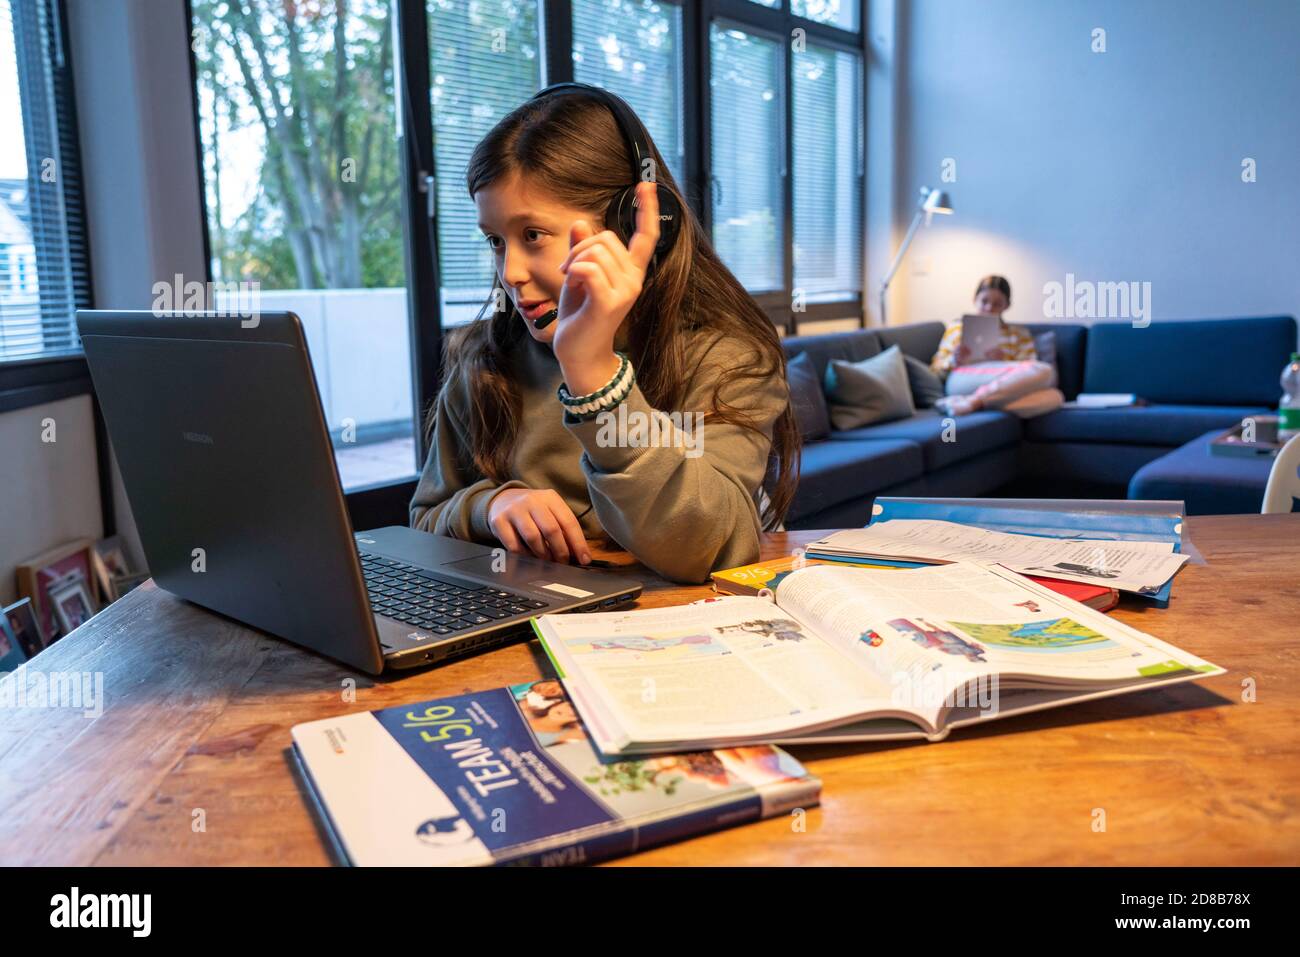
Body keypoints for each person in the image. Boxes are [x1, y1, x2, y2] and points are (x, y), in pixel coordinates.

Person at [409, 86, 799, 584]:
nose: (511, 271)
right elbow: (424, 518)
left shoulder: (726, 359)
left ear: (633, 222)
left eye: (532, 236)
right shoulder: (484, 360)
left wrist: (595, 376)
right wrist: (490, 504)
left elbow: (709, 549)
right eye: (496, 240)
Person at [929, 275, 1062, 417]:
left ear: (1007, 305)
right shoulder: (957, 328)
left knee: (1055, 397)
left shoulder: (1018, 334)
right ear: (975, 299)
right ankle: (975, 401)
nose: (989, 308)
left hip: (1002, 382)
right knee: (1046, 370)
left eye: (997, 304)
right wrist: (954, 360)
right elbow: (936, 367)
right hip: (962, 378)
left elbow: (1028, 369)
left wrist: (1003, 362)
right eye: (984, 301)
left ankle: (972, 403)